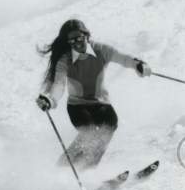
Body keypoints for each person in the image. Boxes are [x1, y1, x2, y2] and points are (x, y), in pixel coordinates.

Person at [35, 20, 151, 170]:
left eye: (79, 38)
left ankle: (89, 169)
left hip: (101, 103)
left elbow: (123, 58)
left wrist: (138, 65)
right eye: (71, 41)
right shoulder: (65, 60)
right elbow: (59, 85)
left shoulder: (101, 50)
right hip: (78, 106)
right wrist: (50, 99)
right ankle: (63, 166)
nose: (76, 43)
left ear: (86, 35)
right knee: (89, 132)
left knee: (110, 124)